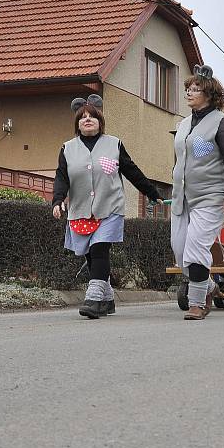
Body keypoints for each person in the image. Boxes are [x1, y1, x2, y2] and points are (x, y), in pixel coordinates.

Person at [52, 94, 161, 319]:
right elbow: (62, 177)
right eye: (83, 117)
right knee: (90, 255)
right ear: (77, 123)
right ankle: (107, 299)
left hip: (109, 207)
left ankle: (92, 299)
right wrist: (58, 200)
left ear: (100, 121)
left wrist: (152, 193)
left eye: (92, 117)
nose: (87, 120)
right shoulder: (67, 148)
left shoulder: (114, 144)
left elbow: (132, 171)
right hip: (81, 210)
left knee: (100, 248)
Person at [171, 65, 224, 320]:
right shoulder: (182, 125)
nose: (190, 92)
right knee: (180, 252)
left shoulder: (222, 123)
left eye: (196, 89)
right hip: (182, 197)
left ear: (210, 94)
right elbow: (180, 159)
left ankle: (198, 303)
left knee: (195, 247)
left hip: (210, 197)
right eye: (188, 89)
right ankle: (209, 284)